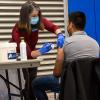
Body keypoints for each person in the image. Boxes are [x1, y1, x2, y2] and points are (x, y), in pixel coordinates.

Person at [32, 11, 99, 100]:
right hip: (90, 85)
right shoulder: (95, 44)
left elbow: (57, 73)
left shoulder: (65, 43)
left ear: (70, 24)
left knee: (35, 83)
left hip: (69, 85)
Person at [10, 1, 64, 100]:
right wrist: (42, 51)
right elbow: (27, 53)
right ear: (25, 16)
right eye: (34, 16)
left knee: (33, 83)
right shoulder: (18, 30)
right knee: (26, 84)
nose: (37, 18)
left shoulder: (38, 21)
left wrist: (60, 34)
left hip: (32, 55)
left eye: (38, 15)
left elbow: (53, 27)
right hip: (18, 57)